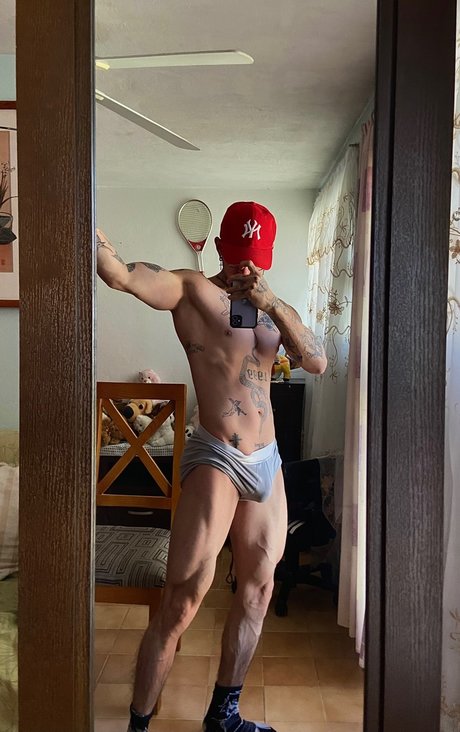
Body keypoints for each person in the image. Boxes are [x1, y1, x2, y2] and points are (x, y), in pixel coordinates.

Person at [96, 201, 327, 732]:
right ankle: (138, 724)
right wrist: (85, 223)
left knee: (259, 590)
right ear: (220, 247)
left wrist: (271, 302)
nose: (245, 265)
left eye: (256, 256)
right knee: (181, 602)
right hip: (217, 456)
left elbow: (316, 361)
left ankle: (223, 715)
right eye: (238, 253)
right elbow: (121, 275)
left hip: (267, 460)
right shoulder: (191, 289)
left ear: (268, 255)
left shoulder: (272, 308)